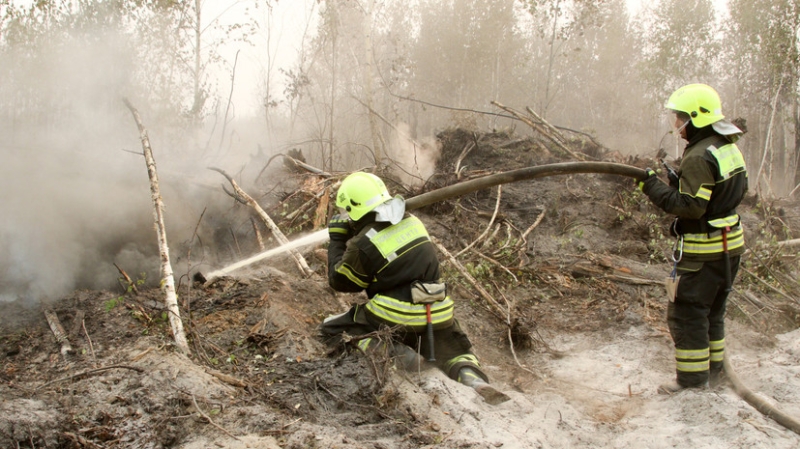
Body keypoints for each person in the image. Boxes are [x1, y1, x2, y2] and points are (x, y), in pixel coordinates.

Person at [320, 171, 510, 405]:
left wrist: (338, 241)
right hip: (436, 312)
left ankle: (401, 356)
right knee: (454, 350)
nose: (345, 217)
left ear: (353, 207)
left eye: (346, 211)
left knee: (333, 328)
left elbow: (340, 282)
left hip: (396, 315)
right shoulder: (413, 221)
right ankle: (471, 377)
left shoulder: (364, 244)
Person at [637, 84, 748, 394]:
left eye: (680, 118)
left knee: (687, 314)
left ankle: (691, 383)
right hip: (729, 248)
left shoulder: (698, 155)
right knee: (713, 313)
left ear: (696, 118)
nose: (677, 125)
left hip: (704, 253)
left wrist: (653, 187)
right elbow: (726, 191)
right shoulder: (725, 146)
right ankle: (716, 374)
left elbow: (690, 207)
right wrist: (680, 180)